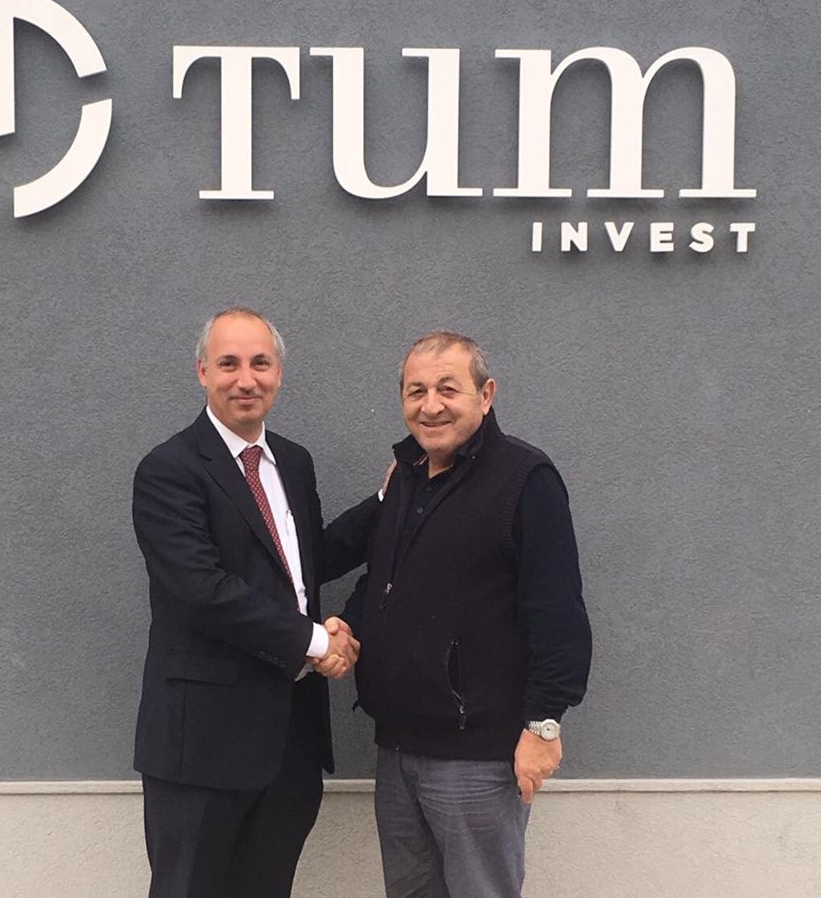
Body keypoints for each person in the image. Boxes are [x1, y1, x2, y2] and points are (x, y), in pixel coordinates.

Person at [131, 307, 379, 898]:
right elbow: (203, 591)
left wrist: (385, 502)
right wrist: (317, 641)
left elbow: (302, 564)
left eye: (260, 363)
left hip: (288, 745)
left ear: (278, 374)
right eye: (229, 364)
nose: (246, 379)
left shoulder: (293, 461)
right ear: (202, 372)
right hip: (202, 750)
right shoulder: (168, 470)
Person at [341, 330, 592, 898]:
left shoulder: (525, 479)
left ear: (486, 394)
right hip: (397, 748)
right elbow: (380, 579)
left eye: (447, 389)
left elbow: (558, 613)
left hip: (477, 758)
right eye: (416, 391)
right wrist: (349, 625)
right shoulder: (406, 477)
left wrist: (544, 725)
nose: (430, 405)